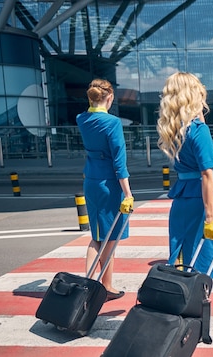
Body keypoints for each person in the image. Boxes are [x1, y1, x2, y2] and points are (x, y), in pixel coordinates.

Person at [157, 72, 213, 277]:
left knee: (184, 263)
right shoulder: (198, 130)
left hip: (183, 200)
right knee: (204, 269)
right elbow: (207, 174)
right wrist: (211, 217)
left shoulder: (175, 129)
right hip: (203, 201)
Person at [76, 79, 133, 301]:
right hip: (109, 183)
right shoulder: (112, 123)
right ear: (109, 98)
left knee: (97, 236)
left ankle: (89, 283)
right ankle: (107, 286)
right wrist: (128, 193)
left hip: (91, 180)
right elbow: (120, 162)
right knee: (109, 238)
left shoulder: (82, 118)